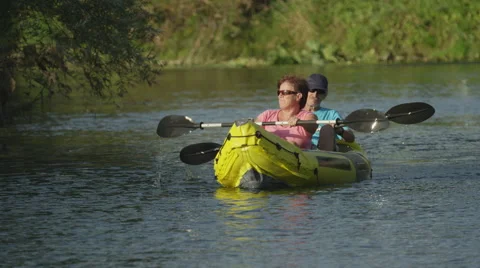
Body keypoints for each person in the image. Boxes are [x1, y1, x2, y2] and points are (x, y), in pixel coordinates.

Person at [256, 75, 318, 149]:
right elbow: (252, 130)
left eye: (285, 92)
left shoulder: (307, 116)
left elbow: (313, 126)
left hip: (297, 157)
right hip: (267, 154)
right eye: (279, 92)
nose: (280, 96)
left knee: (291, 144)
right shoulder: (267, 115)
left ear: (298, 96)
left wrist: (300, 122)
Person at [304, 73, 355, 151]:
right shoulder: (295, 111)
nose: (315, 95)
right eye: (312, 90)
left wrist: (339, 131)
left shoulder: (331, 114)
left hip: (323, 151)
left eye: (320, 91)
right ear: (304, 91)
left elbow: (351, 138)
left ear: (325, 94)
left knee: (327, 129)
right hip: (300, 148)